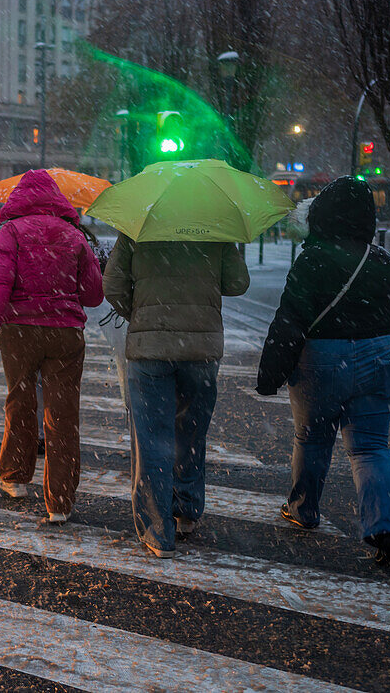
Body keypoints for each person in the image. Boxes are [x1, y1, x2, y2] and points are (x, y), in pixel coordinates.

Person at [256, 176, 390, 568]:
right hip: (380, 356)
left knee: (312, 438)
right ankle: (387, 529)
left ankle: (304, 509)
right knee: (371, 447)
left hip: (323, 360)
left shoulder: (314, 258)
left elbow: (291, 320)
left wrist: (271, 371)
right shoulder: (386, 263)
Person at [103, 233, 249, 559]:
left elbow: (111, 285)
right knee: (192, 428)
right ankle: (186, 508)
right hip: (201, 350)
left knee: (152, 437)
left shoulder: (138, 227)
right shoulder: (215, 229)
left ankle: (158, 531)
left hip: (149, 349)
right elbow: (238, 282)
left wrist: (139, 313)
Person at [0, 170, 103, 524]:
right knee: (63, 415)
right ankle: (60, 501)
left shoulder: (11, 233)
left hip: (20, 332)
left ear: (19, 199)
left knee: (21, 401)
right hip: (65, 334)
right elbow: (93, 295)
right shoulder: (74, 235)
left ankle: (14, 476)